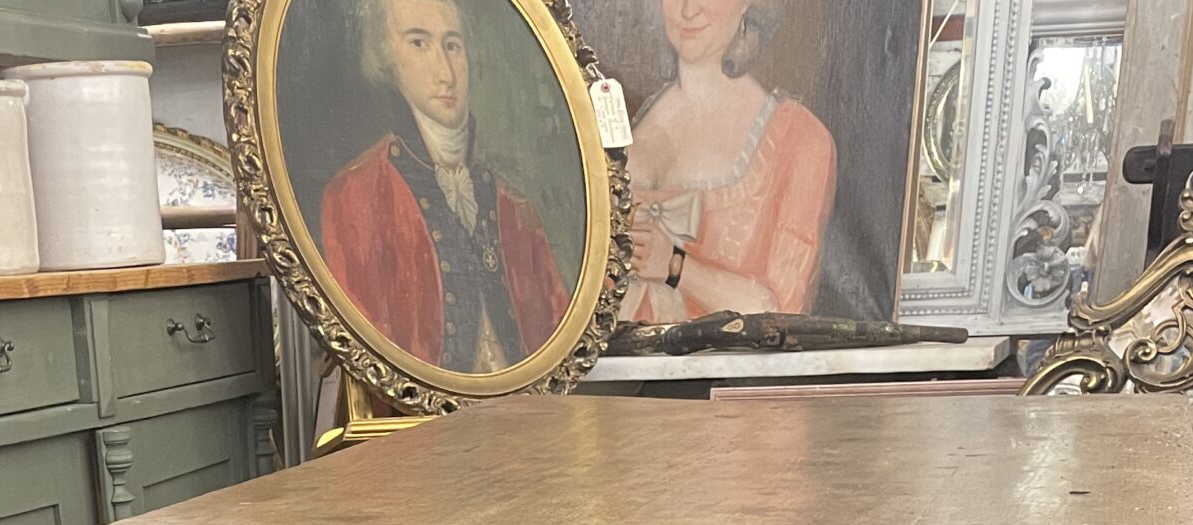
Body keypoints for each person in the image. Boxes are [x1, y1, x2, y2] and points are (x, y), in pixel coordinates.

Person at [319, 0, 572, 373]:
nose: (445, 72)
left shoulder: (511, 202)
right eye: (419, 44)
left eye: (452, 45)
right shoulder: (354, 196)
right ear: (387, 59)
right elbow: (367, 357)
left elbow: (557, 336)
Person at [622, 0, 836, 323]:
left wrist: (674, 265)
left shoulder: (800, 142)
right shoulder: (619, 131)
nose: (688, 9)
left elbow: (782, 318)